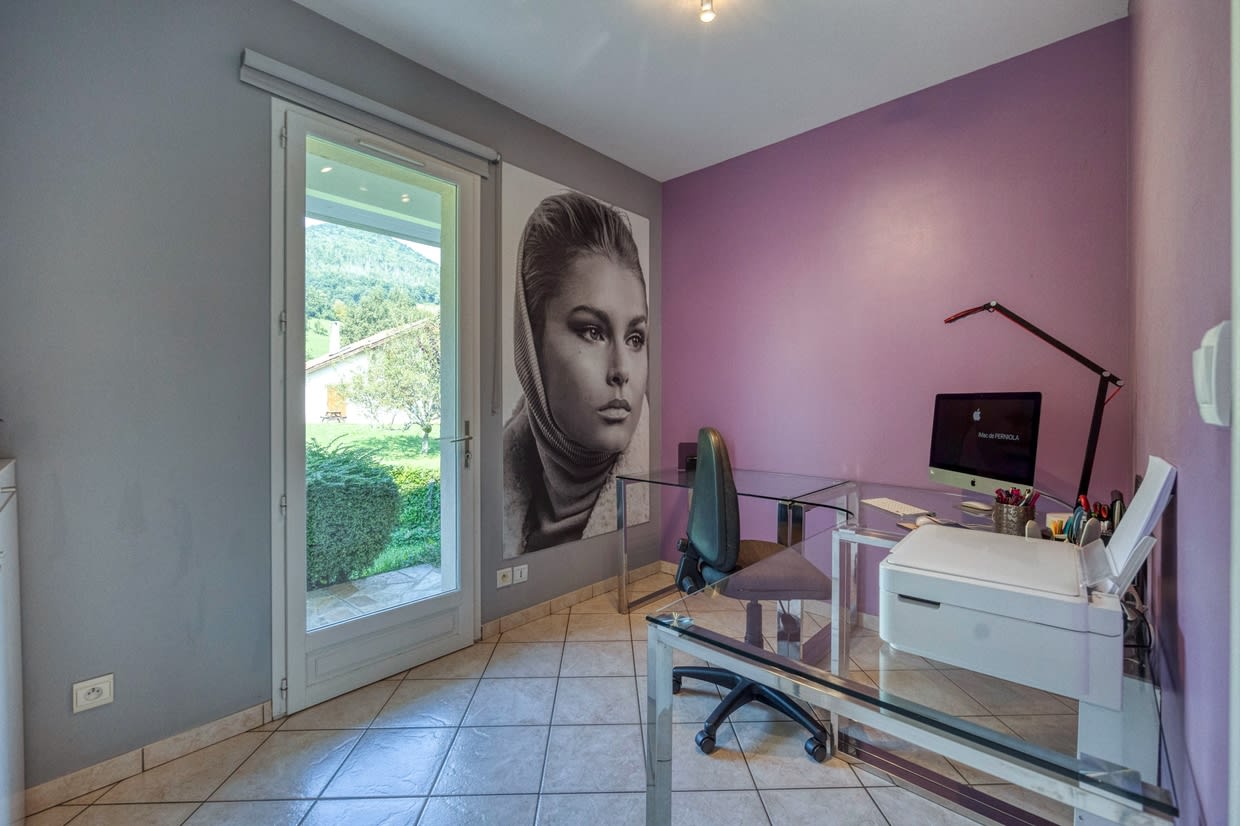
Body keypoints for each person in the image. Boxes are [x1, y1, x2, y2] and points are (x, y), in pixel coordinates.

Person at [503, 191, 650, 556]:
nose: (621, 371)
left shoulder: (665, 499)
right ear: (532, 343)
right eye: (592, 332)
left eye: (635, 338)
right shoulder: (493, 494)